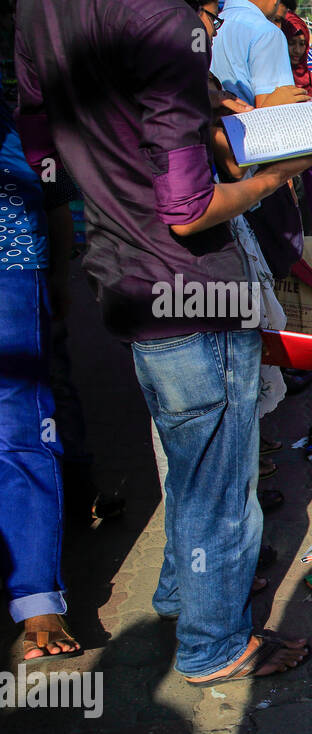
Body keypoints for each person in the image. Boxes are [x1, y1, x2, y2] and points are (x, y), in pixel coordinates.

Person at [15, 0, 312, 683]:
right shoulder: (162, 23)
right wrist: (270, 180)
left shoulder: (44, 11)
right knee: (220, 479)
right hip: (194, 290)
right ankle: (214, 644)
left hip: (123, 277)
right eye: (212, 9)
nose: (214, 15)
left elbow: (40, 140)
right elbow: (187, 209)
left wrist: (115, 183)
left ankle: (183, 593)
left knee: (190, 459)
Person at [0, 59, 79, 662]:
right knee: (22, 433)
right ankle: (36, 604)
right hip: (15, 270)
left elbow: (44, 193)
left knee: (22, 429)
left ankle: (37, 601)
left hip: (13, 269)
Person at [210, 0, 301, 109]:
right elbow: (276, 113)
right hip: (246, 123)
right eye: (277, 20)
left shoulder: (211, 24)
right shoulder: (267, 32)